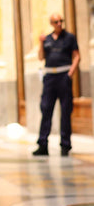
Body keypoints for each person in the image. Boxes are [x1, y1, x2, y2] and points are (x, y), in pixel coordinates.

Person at [33, 13, 80, 157]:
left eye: (61, 21)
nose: (59, 23)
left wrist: (70, 73)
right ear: (51, 24)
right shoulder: (46, 39)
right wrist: (41, 43)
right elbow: (41, 57)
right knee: (46, 109)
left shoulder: (69, 37)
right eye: (56, 21)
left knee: (65, 110)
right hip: (49, 78)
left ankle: (65, 145)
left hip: (63, 76)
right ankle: (43, 144)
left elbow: (77, 56)